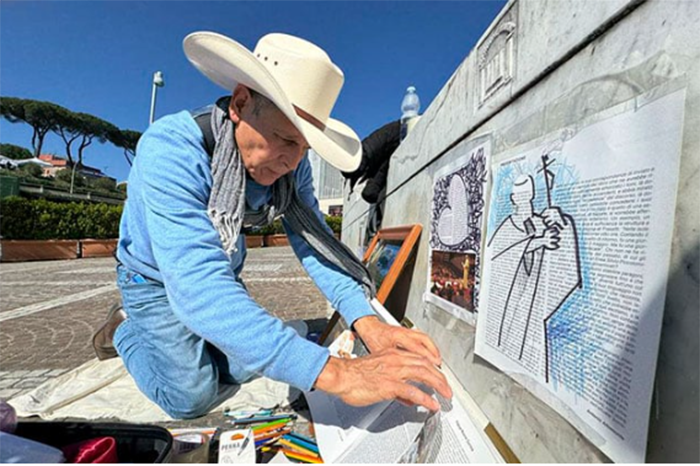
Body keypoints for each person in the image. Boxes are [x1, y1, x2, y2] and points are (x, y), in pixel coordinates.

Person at [92, 31, 451, 419]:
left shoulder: (292, 169)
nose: (292, 162)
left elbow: (316, 244)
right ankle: (124, 328)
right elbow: (198, 291)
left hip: (219, 272)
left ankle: (206, 344)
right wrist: (340, 375)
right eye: (284, 139)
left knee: (257, 355)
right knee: (191, 397)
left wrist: (365, 321)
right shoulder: (170, 149)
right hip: (154, 281)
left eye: (304, 148)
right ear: (241, 103)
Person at [487, 174, 580, 382]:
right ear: (512, 199)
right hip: (512, 302)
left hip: (532, 301)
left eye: (527, 193)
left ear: (532, 194)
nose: (524, 198)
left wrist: (561, 224)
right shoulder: (508, 226)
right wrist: (539, 242)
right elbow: (499, 256)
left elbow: (561, 258)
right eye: (519, 195)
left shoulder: (541, 223)